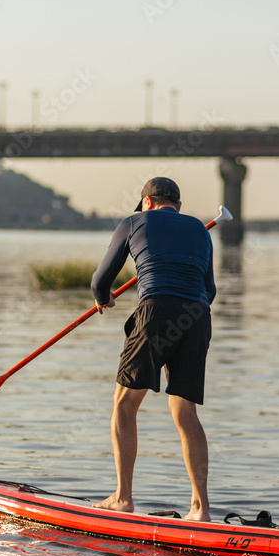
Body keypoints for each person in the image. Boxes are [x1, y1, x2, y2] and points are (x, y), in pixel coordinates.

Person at [90, 177, 216, 522]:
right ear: (177, 204)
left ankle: (123, 498)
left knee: (125, 404)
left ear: (147, 202)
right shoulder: (200, 230)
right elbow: (210, 290)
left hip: (156, 313)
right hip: (197, 316)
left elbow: (100, 281)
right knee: (185, 413)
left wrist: (104, 299)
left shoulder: (133, 222)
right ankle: (201, 509)